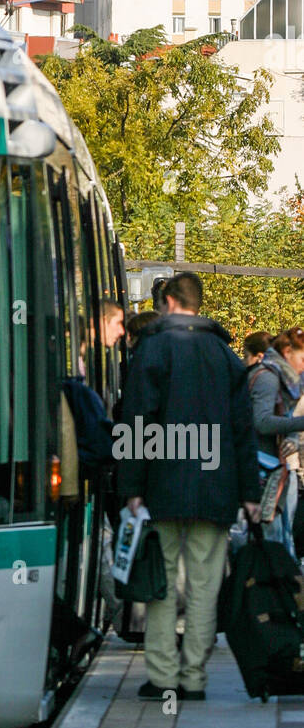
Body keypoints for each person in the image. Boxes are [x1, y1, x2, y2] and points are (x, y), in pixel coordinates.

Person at [119, 271, 261, 700]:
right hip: (216, 489)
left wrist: (132, 484)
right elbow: (243, 430)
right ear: (197, 304)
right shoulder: (226, 355)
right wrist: (250, 493)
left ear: (168, 302)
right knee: (205, 585)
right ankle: (194, 678)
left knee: (161, 582)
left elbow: (137, 419)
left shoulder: (153, 349)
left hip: (162, 487)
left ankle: (162, 676)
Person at [248, 327, 304, 560]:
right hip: (266, 468)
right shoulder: (269, 378)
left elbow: (285, 417)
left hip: (276, 466)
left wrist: (292, 432)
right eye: (302, 358)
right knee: (273, 537)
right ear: (287, 351)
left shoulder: (285, 379)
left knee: (281, 535)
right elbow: (261, 422)